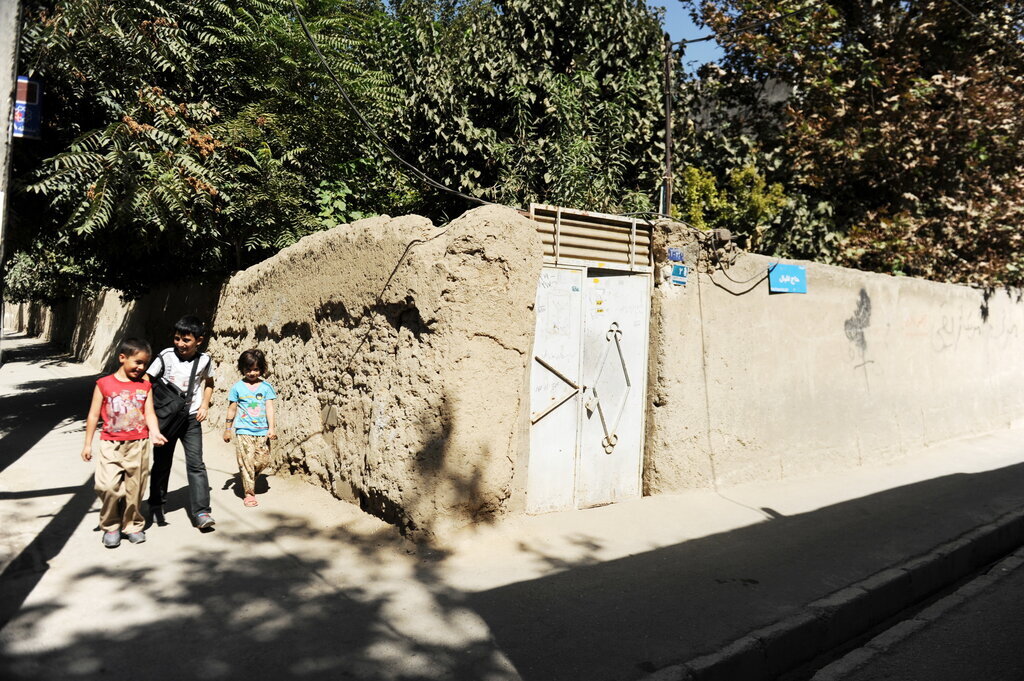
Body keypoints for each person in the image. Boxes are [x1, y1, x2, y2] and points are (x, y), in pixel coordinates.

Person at [81, 338, 168, 548]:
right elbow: (93, 415)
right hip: (111, 443)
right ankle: (111, 524)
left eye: (144, 364)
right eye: (137, 362)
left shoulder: (145, 386)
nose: (141, 368)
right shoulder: (104, 384)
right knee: (107, 486)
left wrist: (155, 432)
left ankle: (133, 525)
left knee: (135, 487)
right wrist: (87, 444)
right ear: (122, 358)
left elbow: (149, 413)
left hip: (138, 443)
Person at [146, 315, 216, 529]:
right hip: (166, 418)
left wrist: (204, 405)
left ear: (199, 341)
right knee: (162, 463)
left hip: (191, 418)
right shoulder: (166, 356)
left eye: (186, 340)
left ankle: (202, 512)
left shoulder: (205, 360)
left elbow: (209, 383)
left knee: (196, 464)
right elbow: (147, 382)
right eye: (177, 338)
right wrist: (150, 416)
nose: (180, 344)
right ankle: (157, 502)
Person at [223, 349, 277, 507]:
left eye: (256, 369)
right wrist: (228, 428)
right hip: (243, 430)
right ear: (242, 369)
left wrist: (271, 428)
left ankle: (249, 476)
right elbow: (232, 408)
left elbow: (269, 408)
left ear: (261, 369)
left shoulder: (266, 387)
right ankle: (249, 493)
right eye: (248, 369)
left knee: (263, 460)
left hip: (262, 431)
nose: (252, 373)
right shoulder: (237, 388)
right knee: (246, 462)